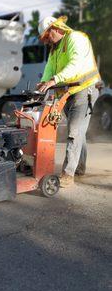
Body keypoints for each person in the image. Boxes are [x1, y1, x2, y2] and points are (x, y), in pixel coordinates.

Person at [37, 15, 101, 187]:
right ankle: (79, 167)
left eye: (46, 36)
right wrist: (45, 81)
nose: (46, 40)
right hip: (69, 91)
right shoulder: (55, 49)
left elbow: (76, 64)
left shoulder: (76, 38)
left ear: (56, 28)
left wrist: (55, 80)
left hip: (84, 89)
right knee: (78, 131)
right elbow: (49, 68)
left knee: (74, 131)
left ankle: (68, 173)